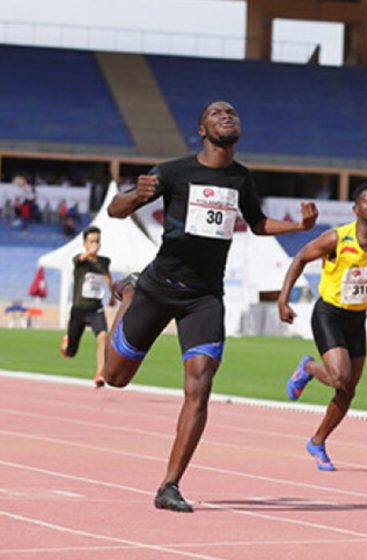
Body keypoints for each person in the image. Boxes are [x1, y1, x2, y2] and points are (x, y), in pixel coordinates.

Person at [103, 100, 318, 513]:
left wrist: (298, 226)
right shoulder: (174, 171)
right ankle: (128, 294)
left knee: (199, 384)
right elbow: (115, 211)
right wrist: (133, 195)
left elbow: (258, 224)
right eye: (217, 113)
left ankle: (169, 485)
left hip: (204, 297)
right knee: (115, 377)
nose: (227, 115)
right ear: (202, 129)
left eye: (233, 112)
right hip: (157, 288)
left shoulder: (241, 178)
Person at [278, 181, 367, 471]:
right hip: (329, 314)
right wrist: (283, 300)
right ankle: (307, 368)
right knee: (339, 378)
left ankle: (317, 442)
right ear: (356, 208)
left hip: (356, 318)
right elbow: (300, 259)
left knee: (347, 391)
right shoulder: (336, 238)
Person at [60, 226, 114, 387]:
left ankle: (100, 374)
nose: (95, 244)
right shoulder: (79, 260)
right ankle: (67, 342)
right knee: (71, 352)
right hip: (78, 310)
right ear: (85, 243)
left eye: (97, 241)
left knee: (103, 337)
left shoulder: (104, 261)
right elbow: (83, 258)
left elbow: (107, 276)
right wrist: (90, 253)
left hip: (95, 309)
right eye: (91, 242)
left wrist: (112, 294)